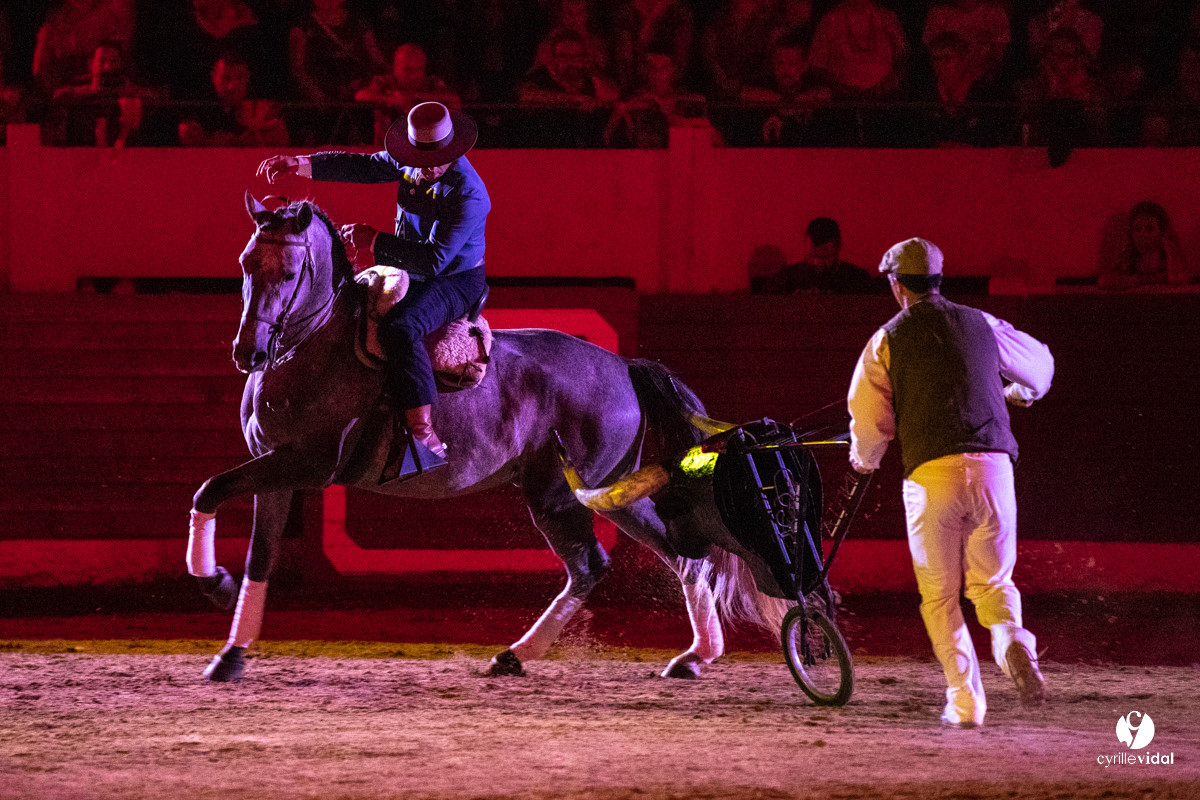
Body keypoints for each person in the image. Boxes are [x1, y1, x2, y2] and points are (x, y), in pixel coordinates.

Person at [847, 238, 1054, 728]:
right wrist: (1015, 392)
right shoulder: (981, 323)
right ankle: (1010, 645)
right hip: (992, 469)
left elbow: (868, 418)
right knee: (994, 581)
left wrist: (864, 461)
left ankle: (966, 702)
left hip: (931, 475)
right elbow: (1040, 368)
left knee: (939, 596)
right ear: (940, 280)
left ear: (896, 286)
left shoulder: (885, 340)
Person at [256, 102, 489, 471]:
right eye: (419, 158)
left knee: (401, 328)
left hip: (454, 281)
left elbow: (434, 260)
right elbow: (360, 166)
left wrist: (373, 240)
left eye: (436, 160)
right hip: (409, 266)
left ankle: (422, 434)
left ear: (454, 150)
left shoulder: (469, 193)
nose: (426, 168)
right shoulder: (412, 163)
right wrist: (298, 163)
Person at [51, 40, 158, 147]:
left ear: (121, 64)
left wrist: (131, 93)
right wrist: (89, 90)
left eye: (114, 62)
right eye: (102, 61)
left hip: (123, 150)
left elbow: (155, 98)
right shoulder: (80, 82)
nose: (107, 67)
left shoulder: (126, 84)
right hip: (83, 150)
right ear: (91, 63)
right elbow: (58, 97)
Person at [356, 43, 460, 149]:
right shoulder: (385, 82)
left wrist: (418, 98)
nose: (413, 75)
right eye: (407, 69)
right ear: (395, 67)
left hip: (426, 151)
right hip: (387, 150)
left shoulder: (432, 84)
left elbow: (454, 99)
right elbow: (360, 95)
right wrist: (391, 99)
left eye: (419, 68)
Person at [178, 51, 289, 147]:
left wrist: (229, 142)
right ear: (213, 77)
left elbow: (280, 138)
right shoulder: (198, 105)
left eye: (239, 77)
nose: (232, 86)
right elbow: (186, 136)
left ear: (247, 78)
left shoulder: (264, 106)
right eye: (225, 78)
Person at [758, 217, 876, 294]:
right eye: (812, 256)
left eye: (825, 257)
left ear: (838, 248)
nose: (817, 262)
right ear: (805, 246)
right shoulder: (785, 279)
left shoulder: (857, 280)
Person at [1098, 201, 1194, 290]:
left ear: (1161, 232)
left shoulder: (1167, 255)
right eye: (1137, 229)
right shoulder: (1129, 257)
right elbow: (1104, 281)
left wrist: (1169, 251)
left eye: (1150, 228)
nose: (1142, 235)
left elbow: (1178, 279)